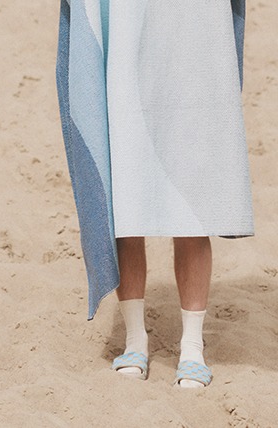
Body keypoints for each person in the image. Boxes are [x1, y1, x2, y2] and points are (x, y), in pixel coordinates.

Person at [56, 0, 252, 388]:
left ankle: (193, 347)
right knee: (126, 192)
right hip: (128, 20)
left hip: (192, 27)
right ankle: (134, 340)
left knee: (191, 198)